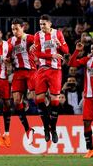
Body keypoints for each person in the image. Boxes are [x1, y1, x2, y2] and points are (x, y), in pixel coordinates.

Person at [34, 14, 69, 143]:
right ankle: (45, 127)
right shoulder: (38, 35)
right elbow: (36, 53)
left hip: (55, 70)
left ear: (50, 24)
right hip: (42, 69)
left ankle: (53, 128)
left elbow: (66, 50)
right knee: (39, 100)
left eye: (44, 24)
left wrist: (60, 46)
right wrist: (51, 55)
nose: (42, 26)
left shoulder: (58, 34)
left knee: (55, 100)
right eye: (40, 24)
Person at [8, 18, 36, 144]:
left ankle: (48, 125)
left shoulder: (30, 38)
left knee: (37, 98)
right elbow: (7, 55)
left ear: (22, 27)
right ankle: (28, 129)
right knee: (16, 101)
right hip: (18, 72)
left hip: (31, 71)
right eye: (13, 29)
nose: (14, 31)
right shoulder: (11, 41)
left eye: (16, 29)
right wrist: (7, 60)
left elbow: (39, 45)